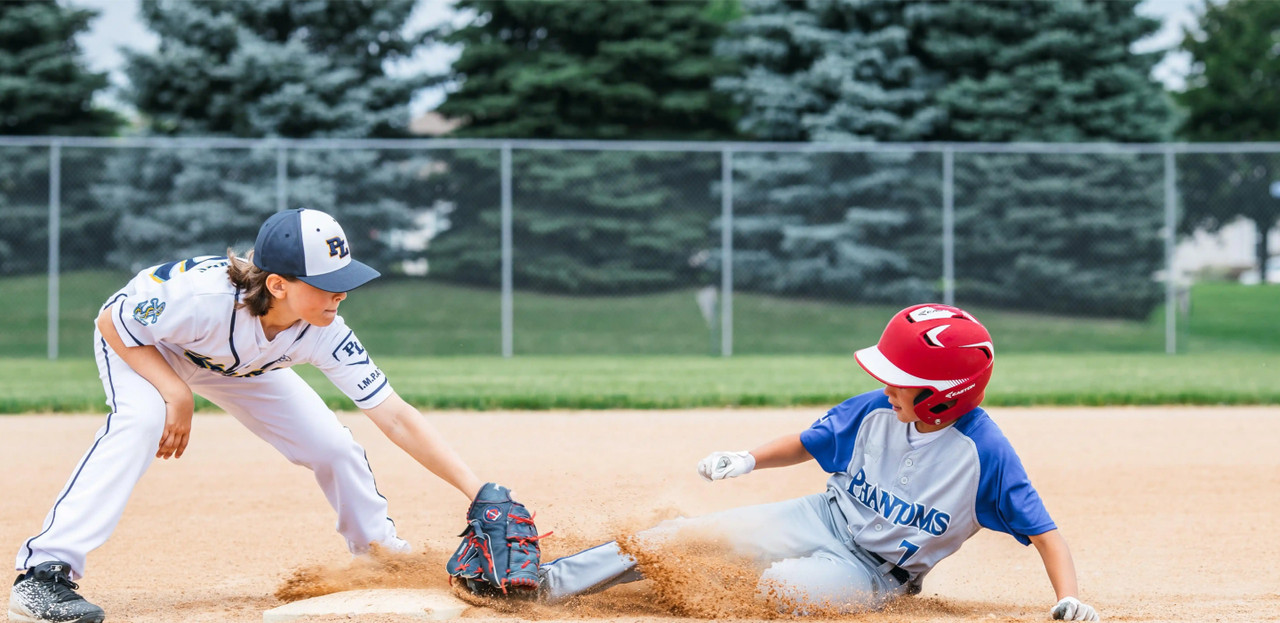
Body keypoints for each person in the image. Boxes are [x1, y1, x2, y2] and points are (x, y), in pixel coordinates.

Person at [10, 209, 491, 623]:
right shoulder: (201, 299)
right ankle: (43, 573)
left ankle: (379, 554)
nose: (339, 296)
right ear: (277, 285)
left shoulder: (322, 329)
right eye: (326, 287)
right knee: (141, 421)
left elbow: (396, 417)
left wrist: (479, 493)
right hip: (148, 347)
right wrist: (174, 391)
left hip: (239, 365)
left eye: (344, 285)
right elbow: (113, 321)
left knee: (332, 446)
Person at [534, 304, 1100, 621]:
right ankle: (539, 586)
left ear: (944, 393)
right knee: (679, 536)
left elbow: (1047, 536)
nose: (883, 385)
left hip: (875, 571)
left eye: (898, 379)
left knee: (786, 591)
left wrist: (1068, 599)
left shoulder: (985, 456)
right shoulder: (876, 410)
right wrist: (746, 459)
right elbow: (809, 442)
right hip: (818, 516)